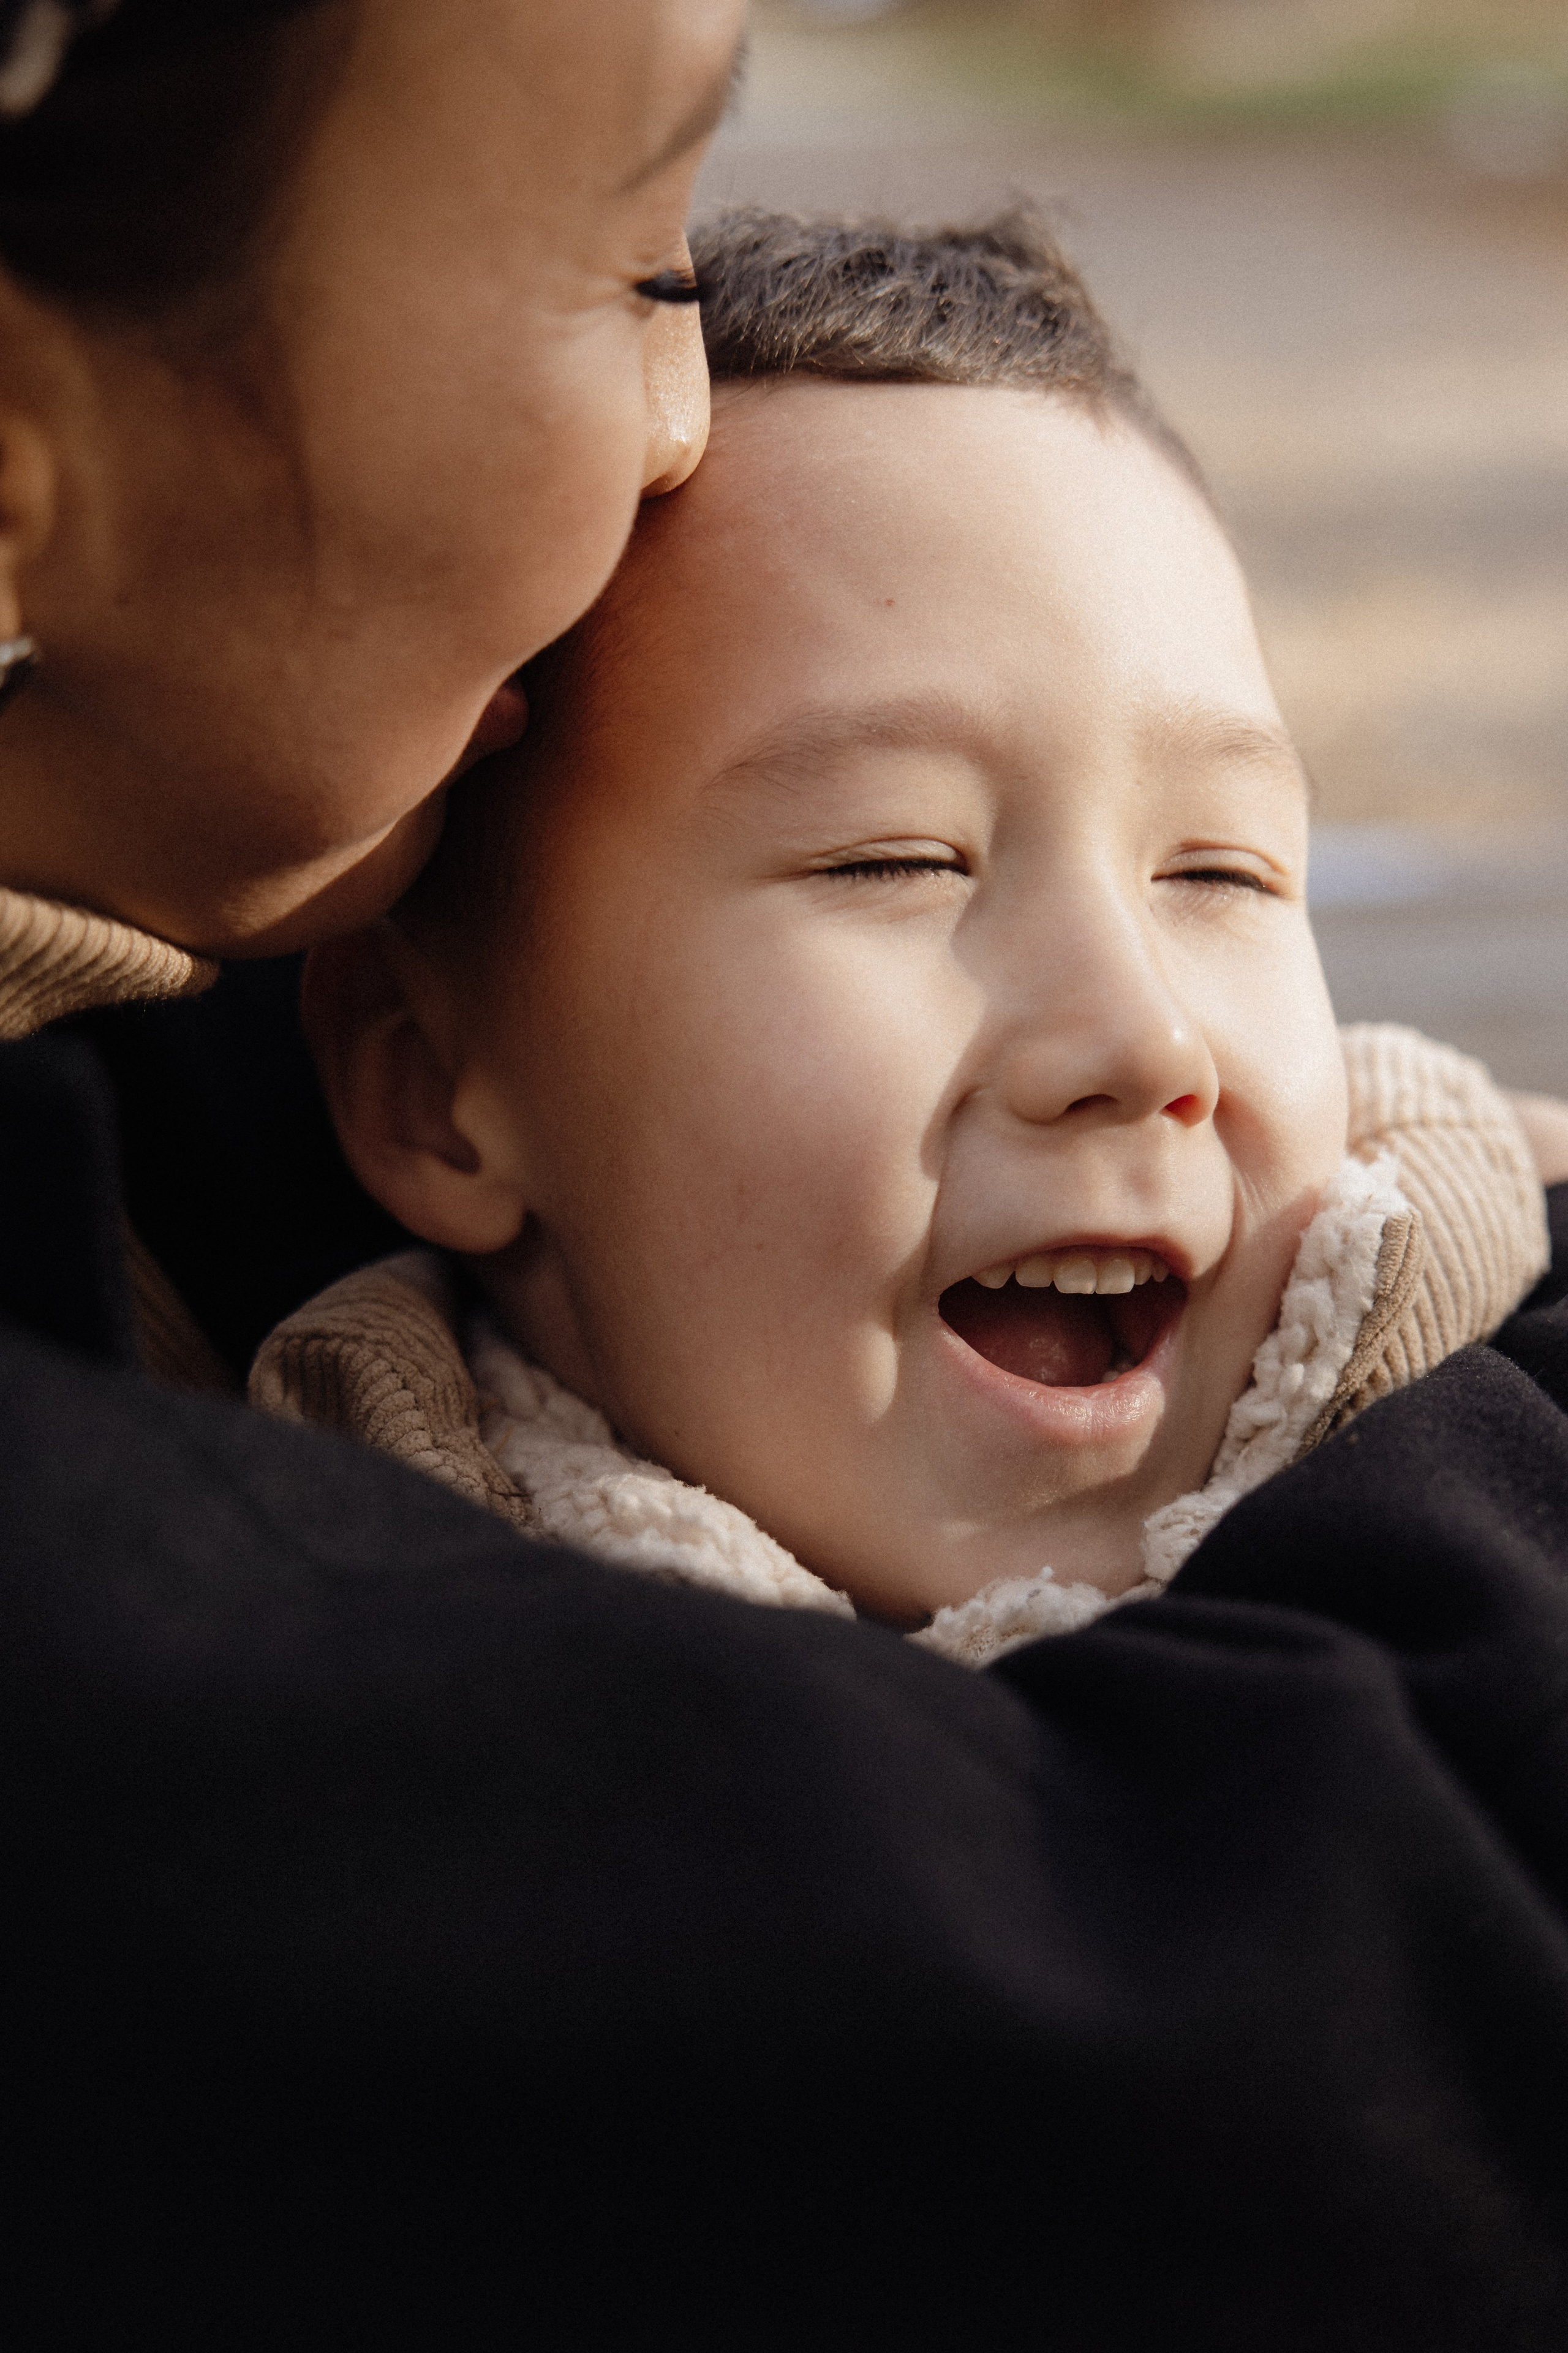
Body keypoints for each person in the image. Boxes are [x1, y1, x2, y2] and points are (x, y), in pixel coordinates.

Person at [1, 7, 1566, 2344]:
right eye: (631, 256)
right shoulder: (286, 1588)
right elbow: (1216, 2047)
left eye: (1228, 868)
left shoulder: (1414, 1268)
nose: (1140, 1036)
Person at [260, 213, 1550, 1674]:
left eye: (1218, 871)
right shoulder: (334, 1677)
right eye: (896, 859)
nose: (1139, 1038)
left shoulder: (1501, 1460)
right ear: (433, 1088)